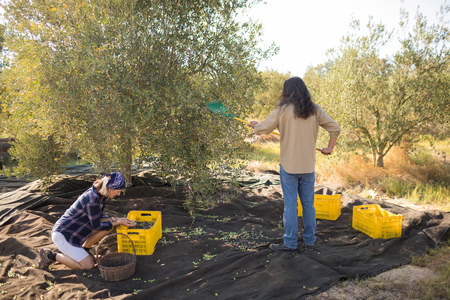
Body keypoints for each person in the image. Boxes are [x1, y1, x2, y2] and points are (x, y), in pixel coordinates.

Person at [248, 77, 341, 253]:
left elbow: (263, 129)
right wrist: (329, 148)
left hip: (289, 166)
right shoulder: (315, 110)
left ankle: (290, 243)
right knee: (308, 205)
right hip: (308, 167)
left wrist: (255, 125)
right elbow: (335, 128)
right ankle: (310, 241)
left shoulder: (282, 110)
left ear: (286, 91)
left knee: (290, 205)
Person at [38, 172, 136, 270]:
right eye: (118, 191)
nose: (118, 194)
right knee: (88, 266)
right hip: (64, 235)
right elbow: (97, 226)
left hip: (75, 233)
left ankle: (86, 249)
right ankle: (51, 256)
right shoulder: (93, 199)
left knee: (109, 225)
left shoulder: (100, 195)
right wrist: (118, 222)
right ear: (109, 187)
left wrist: (118, 220)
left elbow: (98, 217)